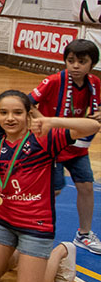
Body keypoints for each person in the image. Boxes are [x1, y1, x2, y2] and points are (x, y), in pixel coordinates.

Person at [0, 91, 99, 282]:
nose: (10, 118)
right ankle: (23, 254)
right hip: (4, 221)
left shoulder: (44, 138)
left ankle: (61, 251)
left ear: (28, 114)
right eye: (4, 113)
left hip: (36, 224)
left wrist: (50, 120)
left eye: (17, 112)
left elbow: (93, 127)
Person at [29, 39, 101, 254]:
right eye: (71, 61)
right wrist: (45, 123)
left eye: (82, 61)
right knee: (55, 189)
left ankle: (84, 234)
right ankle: (33, 226)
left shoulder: (95, 84)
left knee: (87, 187)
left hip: (78, 146)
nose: (76, 66)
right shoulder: (53, 81)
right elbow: (27, 101)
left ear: (92, 64)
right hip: (53, 145)